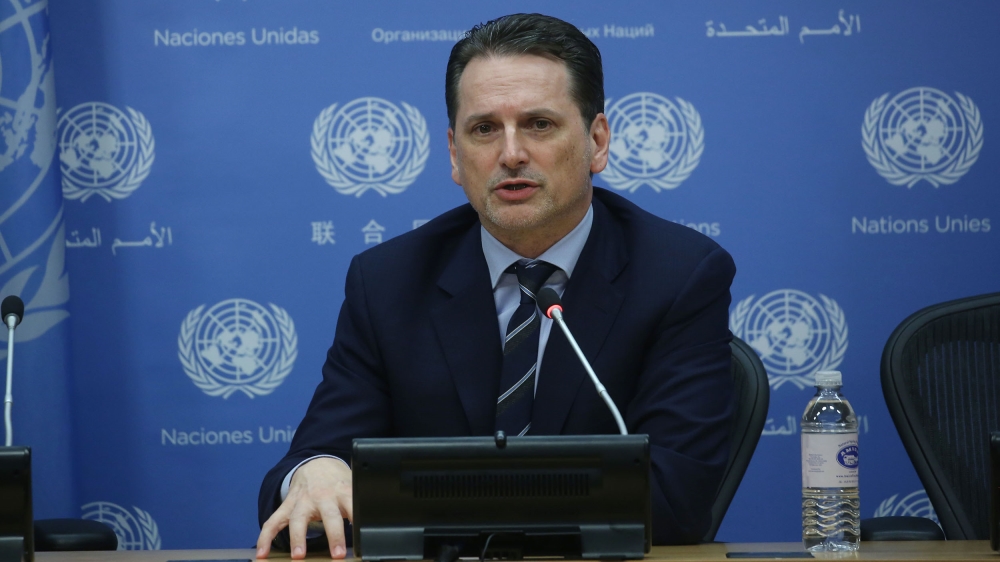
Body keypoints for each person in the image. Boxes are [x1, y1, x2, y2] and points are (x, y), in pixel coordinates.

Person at [257, 13, 736, 560]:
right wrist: (316, 471)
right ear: (455, 155)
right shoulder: (388, 282)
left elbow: (676, 499)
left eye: (539, 124)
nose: (511, 153)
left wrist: (437, 501)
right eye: (484, 129)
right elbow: (314, 467)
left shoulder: (678, 275)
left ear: (597, 142)